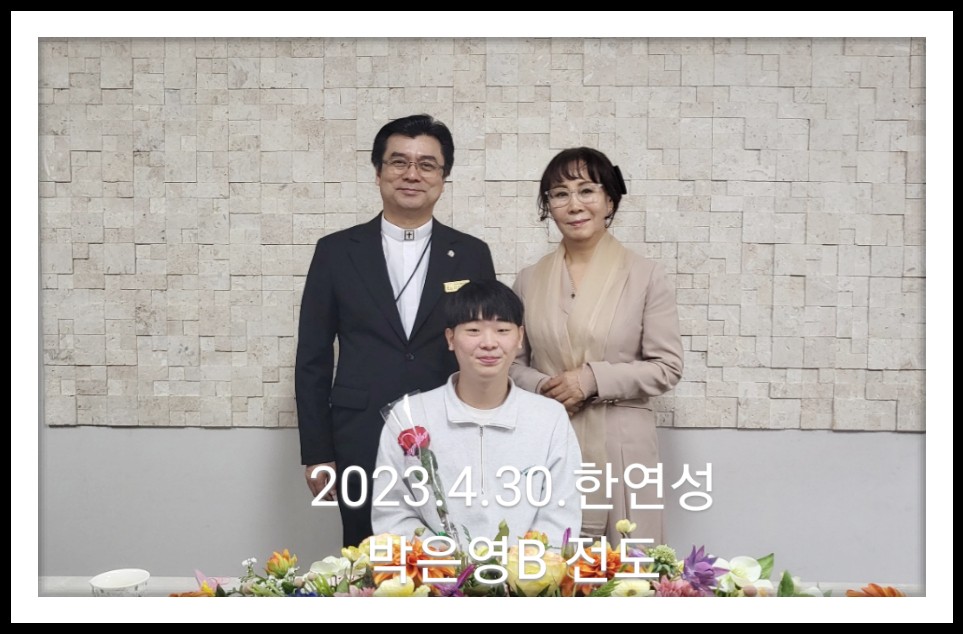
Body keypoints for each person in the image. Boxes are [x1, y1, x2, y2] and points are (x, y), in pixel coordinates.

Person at [295, 114, 496, 547]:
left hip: (451, 428)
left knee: (454, 549)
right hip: (359, 431)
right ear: (378, 172)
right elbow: (312, 358)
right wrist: (318, 452)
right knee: (366, 552)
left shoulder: (472, 254)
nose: (412, 174)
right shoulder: (335, 252)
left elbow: (485, 348)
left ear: (443, 178)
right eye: (399, 162)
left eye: (427, 164)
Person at [511, 147, 683, 545]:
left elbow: (667, 366)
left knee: (629, 562)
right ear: (549, 207)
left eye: (586, 190)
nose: (574, 204)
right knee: (546, 559)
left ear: (610, 201)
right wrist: (544, 388)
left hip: (622, 443)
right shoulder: (528, 279)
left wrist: (591, 380)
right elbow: (511, 364)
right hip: (549, 434)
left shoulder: (645, 276)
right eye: (560, 194)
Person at [371, 280, 582, 547]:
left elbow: (561, 514)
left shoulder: (549, 418)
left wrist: (519, 566)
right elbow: (392, 512)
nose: (489, 343)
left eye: (502, 330)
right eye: (473, 330)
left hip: (526, 572)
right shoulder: (409, 416)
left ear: (520, 337)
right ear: (450, 338)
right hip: (434, 570)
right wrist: (445, 561)